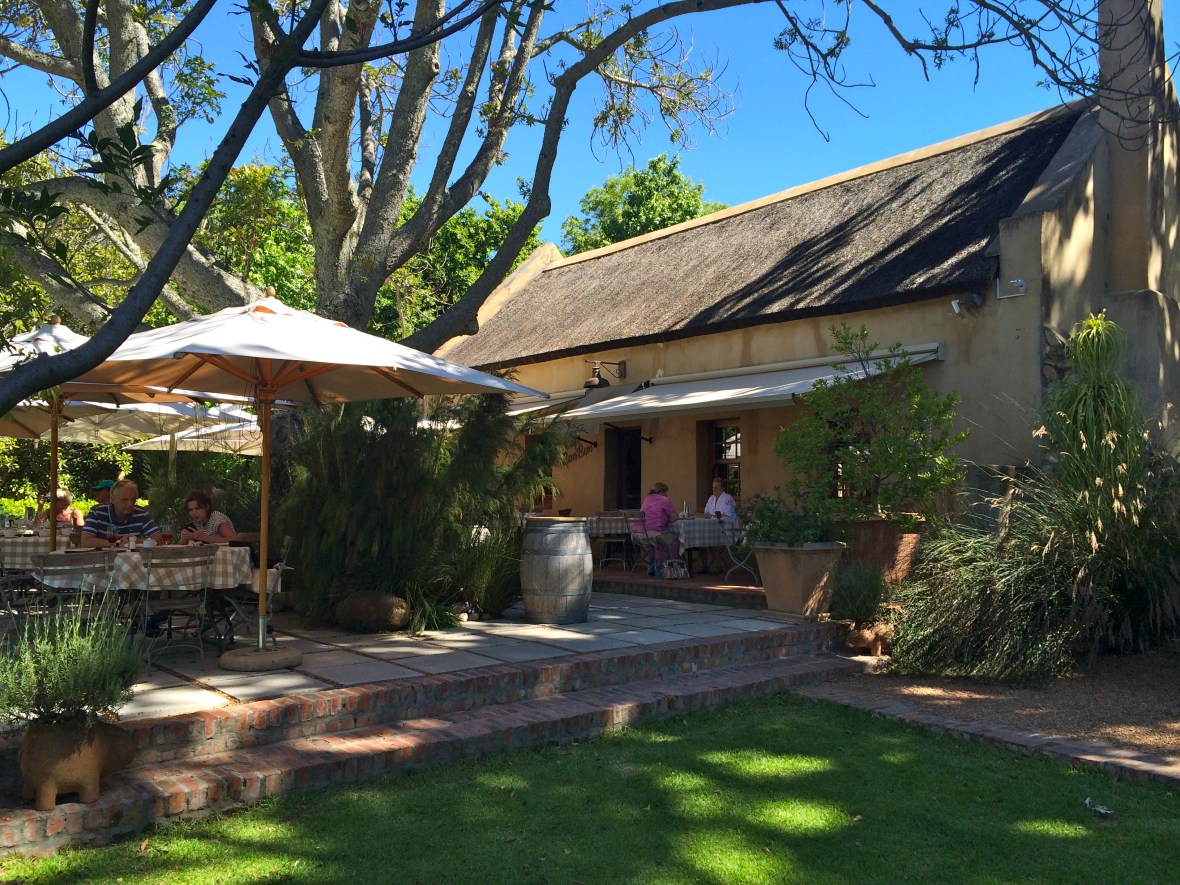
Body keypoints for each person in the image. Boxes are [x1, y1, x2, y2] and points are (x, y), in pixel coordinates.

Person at [80, 479, 163, 547]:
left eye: (133, 500)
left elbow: (159, 539)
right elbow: (86, 541)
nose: (130, 504)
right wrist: (118, 543)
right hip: (104, 560)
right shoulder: (97, 512)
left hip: (132, 561)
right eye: (124, 500)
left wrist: (135, 541)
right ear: (112, 499)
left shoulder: (141, 513)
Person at [638, 481, 680, 574]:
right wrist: (667, 519)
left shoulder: (647, 499)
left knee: (654, 543)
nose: (666, 495)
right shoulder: (664, 500)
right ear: (662, 491)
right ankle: (668, 569)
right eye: (666, 493)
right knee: (675, 540)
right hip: (656, 534)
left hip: (641, 534)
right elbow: (674, 516)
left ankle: (651, 568)